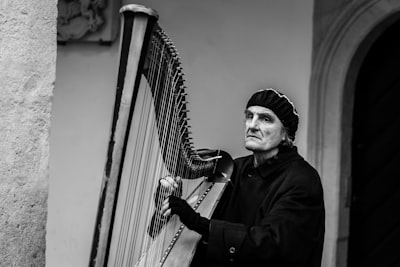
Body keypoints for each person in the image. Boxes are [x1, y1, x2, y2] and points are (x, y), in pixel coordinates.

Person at [160, 88, 325, 267]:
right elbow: (189, 230)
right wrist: (172, 202)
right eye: (249, 116)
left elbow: (270, 246)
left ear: (286, 133)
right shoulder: (234, 168)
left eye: (266, 119)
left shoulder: (302, 180)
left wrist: (197, 222)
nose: (252, 125)